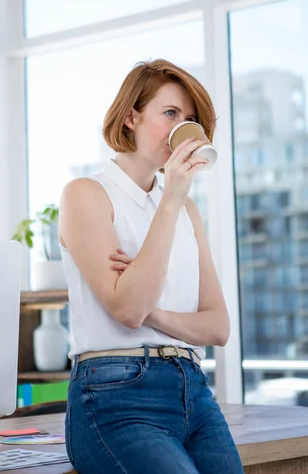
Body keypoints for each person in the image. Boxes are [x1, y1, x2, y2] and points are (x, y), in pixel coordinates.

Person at [58, 59, 244, 473]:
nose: (182, 130)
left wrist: (153, 313)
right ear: (131, 117)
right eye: (171, 114)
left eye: (191, 120)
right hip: (115, 394)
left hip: (193, 390)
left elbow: (217, 327)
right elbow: (126, 309)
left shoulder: (188, 212)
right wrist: (173, 196)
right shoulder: (86, 194)